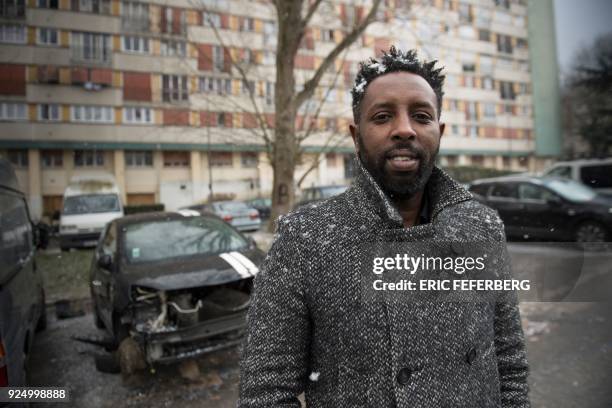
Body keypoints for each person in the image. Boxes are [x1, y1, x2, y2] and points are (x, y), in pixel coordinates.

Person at [238, 46, 530, 407]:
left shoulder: (481, 227)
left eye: (421, 116)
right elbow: (266, 393)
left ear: (439, 132)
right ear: (355, 135)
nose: (404, 129)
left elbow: (509, 359)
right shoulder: (305, 239)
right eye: (382, 116)